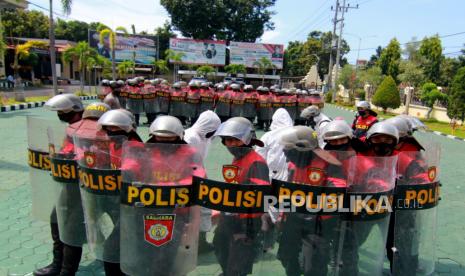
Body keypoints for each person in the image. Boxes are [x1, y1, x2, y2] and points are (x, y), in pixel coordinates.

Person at [119, 115, 204, 276]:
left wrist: (169, 187)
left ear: (178, 137)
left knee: (165, 255)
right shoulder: (146, 151)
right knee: (143, 252)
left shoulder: (190, 153)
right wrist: (127, 171)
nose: (164, 142)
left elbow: (198, 175)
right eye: (160, 137)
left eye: (169, 138)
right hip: (147, 209)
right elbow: (133, 163)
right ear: (153, 136)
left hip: (175, 212)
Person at [277, 126, 344, 276]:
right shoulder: (293, 164)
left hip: (318, 222)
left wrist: (327, 195)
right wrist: (283, 216)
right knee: (287, 256)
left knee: (313, 265)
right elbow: (287, 192)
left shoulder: (329, 164)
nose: (285, 152)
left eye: (289, 148)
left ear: (302, 147)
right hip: (294, 218)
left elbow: (338, 190)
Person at [212, 117, 270, 276]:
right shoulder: (238, 159)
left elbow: (260, 193)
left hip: (246, 220)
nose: (230, 145)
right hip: (230, 216)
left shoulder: (256, 162)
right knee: (219, 245)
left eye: (235, 141)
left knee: (239, 261)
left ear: (247, 140)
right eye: (227, 141)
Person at [35, 94, 85, 276]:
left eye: (63, 112)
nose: (61, 115)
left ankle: (66, 270)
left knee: (72, 229)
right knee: (57, 220)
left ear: (75, 111)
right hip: (69, 185)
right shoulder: (71, 129)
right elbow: (66, 150)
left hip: (89, 188)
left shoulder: (89, 128)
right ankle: (57, 263)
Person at [184, 110, 221, 253]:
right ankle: (195, 243)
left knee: (203, 211)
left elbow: (199, 161)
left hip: (198, 178)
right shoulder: (191, 137)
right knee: (195, 211)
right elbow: (186, 161)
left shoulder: (203, 138)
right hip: (189, 180)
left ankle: (200, 241)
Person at [256, 108, 293, 181]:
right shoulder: (296, 134)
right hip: (291, 175)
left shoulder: (267, 136)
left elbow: (259, 157)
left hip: (271, 175)